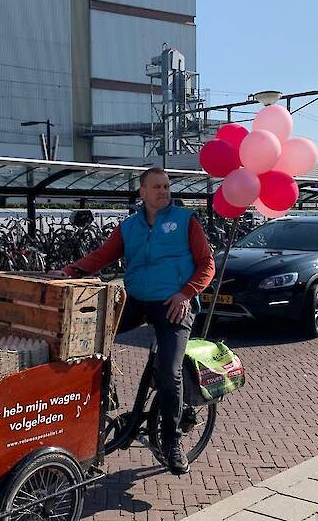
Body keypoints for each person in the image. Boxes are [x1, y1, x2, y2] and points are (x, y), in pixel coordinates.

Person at [56, 167, 214, 475]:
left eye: (166, 186)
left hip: (173, 303)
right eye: (156, 186)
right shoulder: (129, 227)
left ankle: (172, 441)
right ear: (142, 192)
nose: (164, 191)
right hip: (137, 300)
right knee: (90, 337)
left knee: (169, 373)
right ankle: (106, 398)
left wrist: (186, 294)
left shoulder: (186, 221)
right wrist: (69, 272)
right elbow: (102, 256)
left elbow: (207, 263)